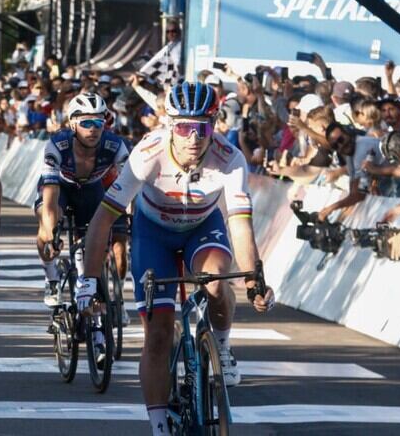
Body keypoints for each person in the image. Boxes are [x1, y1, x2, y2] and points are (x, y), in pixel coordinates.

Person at [78, 82, 275, 436]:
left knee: (216, 278)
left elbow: (241, 225)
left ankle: (224, 346)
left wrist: (253, 281)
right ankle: (158, 425)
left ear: (214, 125)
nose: (194, 137)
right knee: (158, 335)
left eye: (203, 127)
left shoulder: (230, 159)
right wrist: (89, 281)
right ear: (169, 124)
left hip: (202, 226)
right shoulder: (147, 154)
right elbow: (103, 219)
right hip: (153, 235)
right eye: (184, 126)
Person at [35, 93, 132, 350]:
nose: (93, 130)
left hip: (92, 190)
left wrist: (129, 215)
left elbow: (128, 186)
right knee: (46, 225)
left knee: (91, 248)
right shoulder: (57, 145)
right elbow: (51, 194)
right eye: (86, 123)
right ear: (72, 124)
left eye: (98, 123)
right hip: (61, 190)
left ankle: (95, 309)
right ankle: (52, 279)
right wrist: (51, 229)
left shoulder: (115, 146)